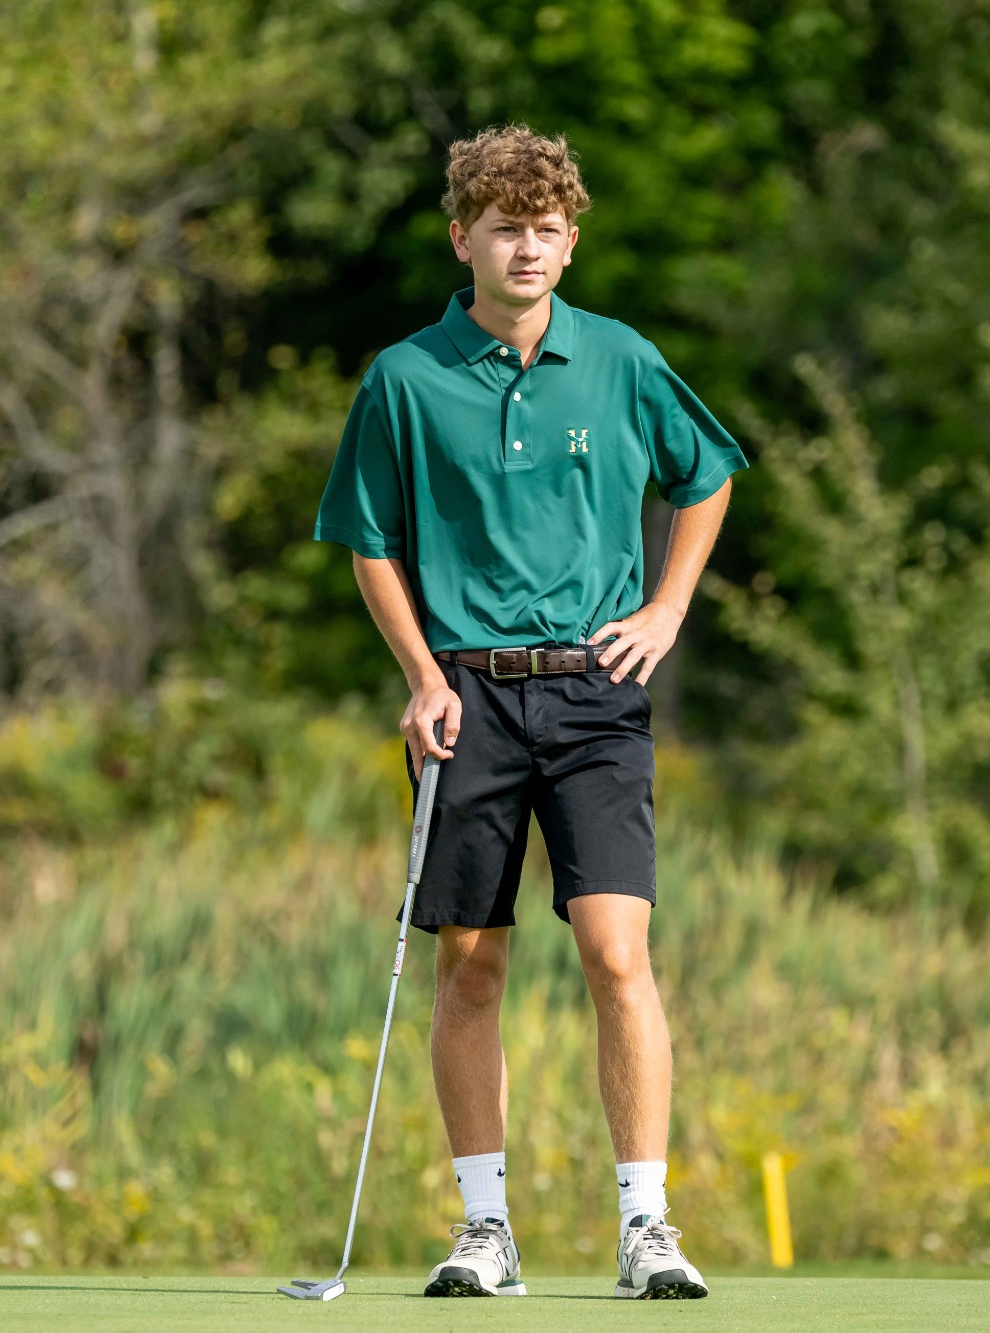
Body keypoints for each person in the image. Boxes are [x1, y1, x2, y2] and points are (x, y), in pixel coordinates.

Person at [312, 123, 746, 1300]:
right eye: (506, 229)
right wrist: (419, 675)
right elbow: (365, 539)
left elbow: (704, 474)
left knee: (616, 949)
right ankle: (483, 1229)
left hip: (596, 690)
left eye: (548, 231)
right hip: (467, 695)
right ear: (464, 237)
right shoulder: (404, 377)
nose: (528, 249)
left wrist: (664, 610)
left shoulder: (618, 360)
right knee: (469, 962)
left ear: (568, 241)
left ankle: (645, 1226)